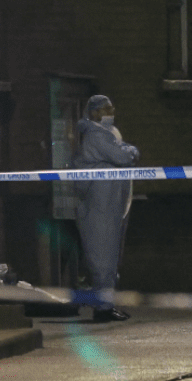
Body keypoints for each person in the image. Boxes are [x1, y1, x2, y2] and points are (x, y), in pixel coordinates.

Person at [73, 95, 140, 322]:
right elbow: (122, 155)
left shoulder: (106, 134)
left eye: (112, 107)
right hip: (101, 205)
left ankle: (107, 304)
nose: (111, 111)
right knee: (102, 255)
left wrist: (125, 151)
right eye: (106, 109)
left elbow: (120, 154)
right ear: (93, 113)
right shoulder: (95, 136)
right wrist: (130, 151)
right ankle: (103, 308)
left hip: (111, 205)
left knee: (110, 255)